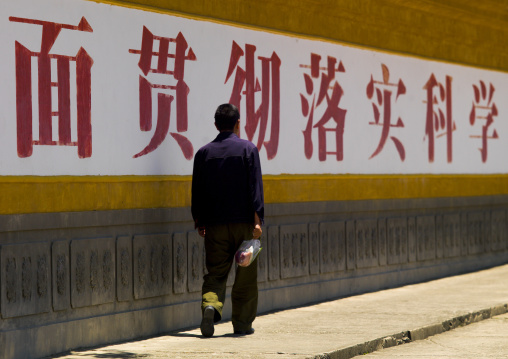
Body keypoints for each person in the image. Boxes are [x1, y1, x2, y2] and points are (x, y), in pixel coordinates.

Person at [191, 103, 264, 338]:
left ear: (215, 125)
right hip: (243, 225)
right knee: (245, 276)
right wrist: (257, 221)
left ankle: (210, 305)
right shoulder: (248, 149)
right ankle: (242, 324)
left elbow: (197, 191)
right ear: (238, 123)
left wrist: (199, 221)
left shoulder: (203, 153)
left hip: (215, 226)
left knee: (215, 273)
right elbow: (255, 189)